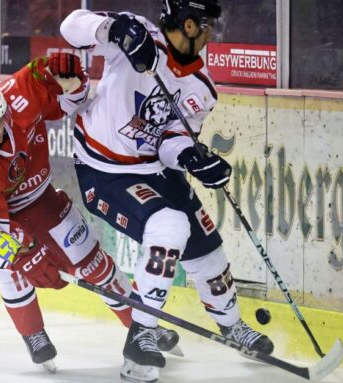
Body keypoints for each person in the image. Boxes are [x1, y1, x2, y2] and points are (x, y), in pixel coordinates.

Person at [60, 0, 274, 381]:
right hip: (104, 170)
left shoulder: (202, 87)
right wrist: (114, 30)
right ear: (189, 26)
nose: (211, 34)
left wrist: (193, 157)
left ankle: (232, 325)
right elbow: (71, 25)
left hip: (154, 169)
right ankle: (141, 334)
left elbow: (171, 139)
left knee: (206, 243)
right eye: (207, 25)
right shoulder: (140, 34)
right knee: (170, 226)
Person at [0, 53, 179, 373]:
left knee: (91, 259)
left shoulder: (15, 97)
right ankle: (33, 333)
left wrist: (69, 78)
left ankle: (142, 327)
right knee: (12, 268)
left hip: (38, 198)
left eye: (0, 118)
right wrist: (25, 256)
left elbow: (57, 87)